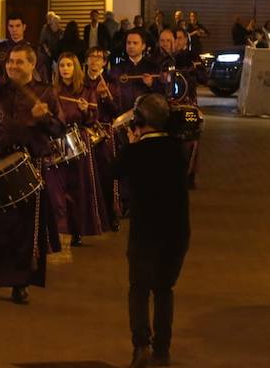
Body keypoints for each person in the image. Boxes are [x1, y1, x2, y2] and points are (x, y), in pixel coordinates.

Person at [0, 43, 65, 304]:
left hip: (30, 165)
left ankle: (20, 284)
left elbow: (60, 130)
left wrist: (45, 118)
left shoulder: (46, 93)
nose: (13, 66)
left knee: (25, 230)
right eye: (10, 62)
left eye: (19, 62)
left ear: (32, 64)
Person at [112, 94, 189, 368]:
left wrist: (130, 145)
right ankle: (162, 348)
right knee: (164, 289)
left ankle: (141, 344)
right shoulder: (179, 149)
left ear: (139, 122)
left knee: (139, 288)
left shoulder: (136, 152)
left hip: (146, 232)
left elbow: (113, 171)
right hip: (177, 231)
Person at [50, 52, 107, 247]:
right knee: (57, 189)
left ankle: (78, 231)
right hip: (58, 141)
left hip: (79, 142)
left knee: (79, 189)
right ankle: (59, 228)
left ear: (75, 67)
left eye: (68, 65)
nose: (65, 68)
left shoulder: (86, 91)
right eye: (62, 65)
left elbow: (93, 119)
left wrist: (85, 110)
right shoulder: (52, 91)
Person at [85, 46, 121, 231]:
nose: (95, 60)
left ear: (104, 62)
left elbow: (117, 111)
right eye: (91, 57)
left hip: (105, 133)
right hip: (85, 132)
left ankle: (111, 215)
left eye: (99, 58)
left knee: (107, 176)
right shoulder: (81, 82)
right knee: (86, 177)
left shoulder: (111, 81)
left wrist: (106, 96)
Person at [0, 14, 46, 84]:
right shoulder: (0, 47)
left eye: (18, 26)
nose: (14, 29)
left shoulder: (32, 49)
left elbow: (41, 74)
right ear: (8, 27)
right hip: (3, 88)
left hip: (24, 89)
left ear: (24, 27)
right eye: (11, 26)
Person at [110, 29, 161, 114]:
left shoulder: (152, 67)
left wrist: (151, 84)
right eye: (128, 43)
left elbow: (160, 94)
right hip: (122, 114)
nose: (131, 46)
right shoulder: (118, 68)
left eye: (135, 43)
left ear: (143, 46)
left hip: (146, 115)